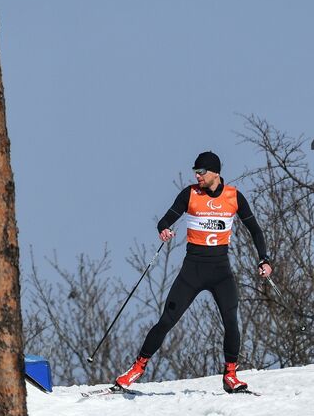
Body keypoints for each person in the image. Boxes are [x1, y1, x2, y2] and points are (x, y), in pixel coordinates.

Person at [114, 151, 272, 393]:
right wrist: (164, 229)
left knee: (231, 322)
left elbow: (255, 230)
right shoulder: (190, 194)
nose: (197, 176)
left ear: (215, 173)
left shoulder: (233, 197)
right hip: (193, 271)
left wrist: (264, 259)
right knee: (167, 320)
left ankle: (230, 375)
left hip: (221, 272)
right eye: (195, 172)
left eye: (202, 172)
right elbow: (165, 219)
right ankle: (137, 368)